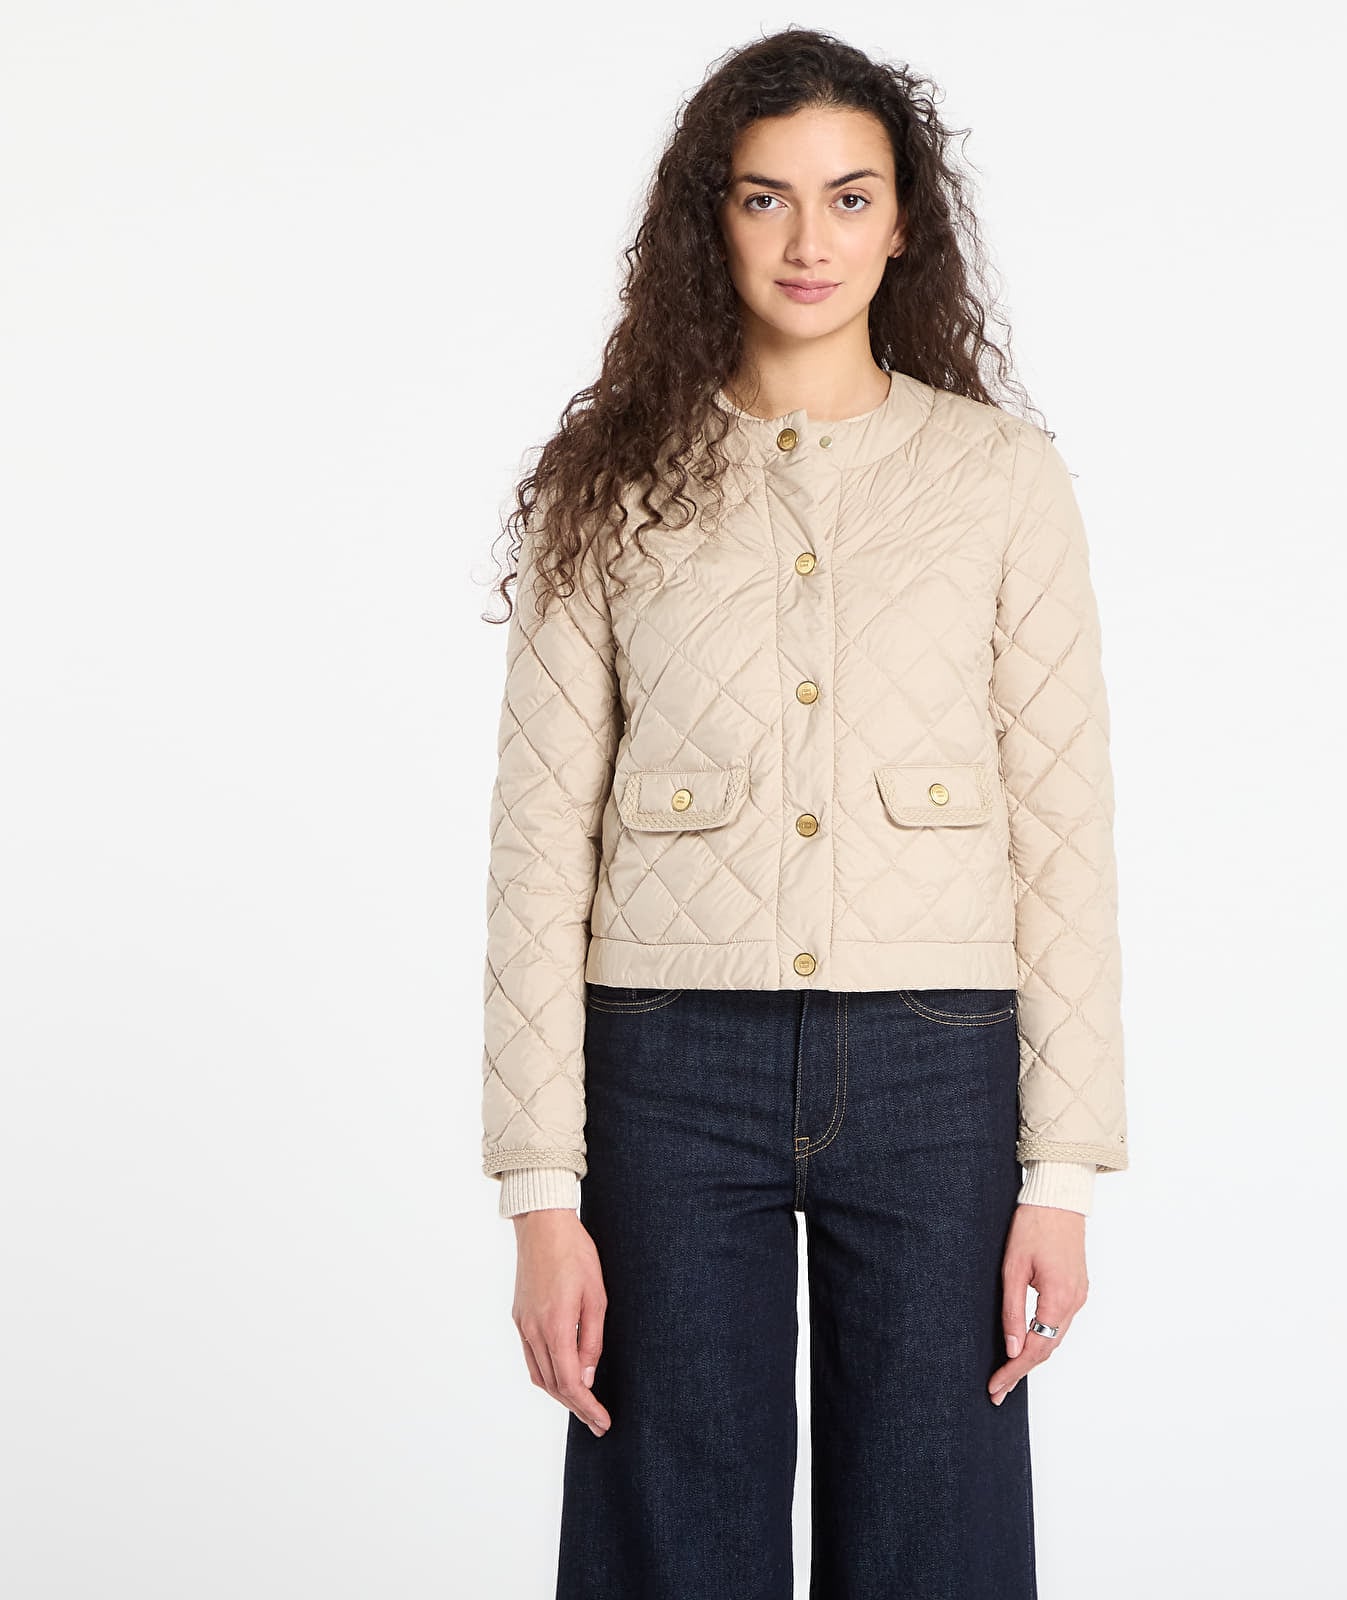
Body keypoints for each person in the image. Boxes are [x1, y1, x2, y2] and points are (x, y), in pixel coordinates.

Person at [479, 27, 1128, 1600]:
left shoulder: (1001, 478)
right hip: (666, 1063)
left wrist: (1060, 1176)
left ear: (904, 223)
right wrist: (541, 1197)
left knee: (937, 1534)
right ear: (709, 219)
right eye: (764, 197)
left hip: (937, 1058)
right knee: (668, 1529)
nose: (808, 239)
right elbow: (537, 845)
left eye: (849, 197)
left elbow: (1064, 833)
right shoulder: (611, 480)